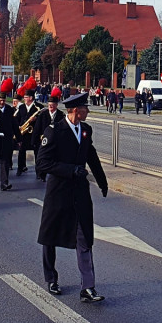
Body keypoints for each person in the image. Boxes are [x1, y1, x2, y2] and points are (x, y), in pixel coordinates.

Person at [35, 92, 109, 303]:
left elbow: (91, 155)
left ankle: (88, 287)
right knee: (50, 237)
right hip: (58, 192)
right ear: (76, 110)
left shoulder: (85, 130)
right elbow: (43, 163)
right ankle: (51, 278)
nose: (88, 111)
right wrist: (71, 170)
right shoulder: (54, 131)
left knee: (84, 237)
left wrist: (102, 181)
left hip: (79, 193)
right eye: (85, 108)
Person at [32, 87, 65, 181]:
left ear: (56, 105)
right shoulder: (43, 114)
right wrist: (34, 141)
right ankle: (40, 174)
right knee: (42, 157)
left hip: (56, 141)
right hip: (43, 140)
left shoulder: (61, 115)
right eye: (49, 105)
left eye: (52, 105)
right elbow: (37, 128)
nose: (50, 107)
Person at [15, 89, 38, 175]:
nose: (24, 99)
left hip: (33, 133)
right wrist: (18, 127)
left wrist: (35, 119)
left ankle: (38, 171)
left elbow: (42, 120)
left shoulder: (37, 107)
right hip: (23, 132)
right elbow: (17, 119)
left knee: (37, 152)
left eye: (26, 97)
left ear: (31, 98)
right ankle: (20, 168)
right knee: (21, 151)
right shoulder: (21, 107)